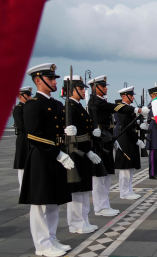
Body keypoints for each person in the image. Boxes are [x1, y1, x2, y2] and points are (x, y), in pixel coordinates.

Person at [20, 63, 74, 256]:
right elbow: (33, 135)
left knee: (54, 202)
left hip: (56, 157)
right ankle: (42, 245)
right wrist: (58, 153)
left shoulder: (57, 104)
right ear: (37, 80)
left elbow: (58, 130)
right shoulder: (33, 104)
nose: (53, 82)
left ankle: (51, 238)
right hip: (43, 158)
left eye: (54, 79)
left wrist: (69, 133)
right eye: (50, 79)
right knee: (40, 204)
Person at [87, 76, 149, 215]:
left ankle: (105, 205)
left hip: (106, 140)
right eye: (103, 86)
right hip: (98, 142)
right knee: (99, 178)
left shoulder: (100, 101)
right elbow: (114, 107)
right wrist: (137, 111)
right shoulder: (95, 101)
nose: (106, 88)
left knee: (107, 176)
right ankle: (100, 207)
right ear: (95, 87)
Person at [62, 75, 102, 234]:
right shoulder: (69, 106)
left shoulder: (78, 106)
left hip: (83, 153)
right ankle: (76, 223)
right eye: (80, 89)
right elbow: (74, 136)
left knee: (84, 190)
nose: (84, 92)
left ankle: (83, 220)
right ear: (71, 90)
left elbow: (85, 131)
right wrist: (88, 149)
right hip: (75, 154)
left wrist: (93, 134)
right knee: (77, 191)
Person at [115, 86, 143, 200]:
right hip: (125, 140)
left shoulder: (129, 108)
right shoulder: (122, 109)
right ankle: (124, 192)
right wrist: (136, 140)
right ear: (124, 96)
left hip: (130, 140)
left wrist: (140, 126)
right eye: (131, 95)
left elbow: (132, 124)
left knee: (130, 167)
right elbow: (126, 127)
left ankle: (129, 190)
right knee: (125, 169)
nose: (133, 97)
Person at [13, 86, 32, 194]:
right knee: (22, 166)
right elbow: (21, 125)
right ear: (20, 96)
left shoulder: (28, 107)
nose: (30, 97)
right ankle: (22, 190)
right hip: (23, 139)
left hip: (29, 138)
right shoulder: (18, 108)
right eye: (28, 95)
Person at [145, 87, 157, 180]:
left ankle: (156, 172)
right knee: (154, 152)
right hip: (154, 128)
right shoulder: (152, 104)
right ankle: (153, 173)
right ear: (152, 95)